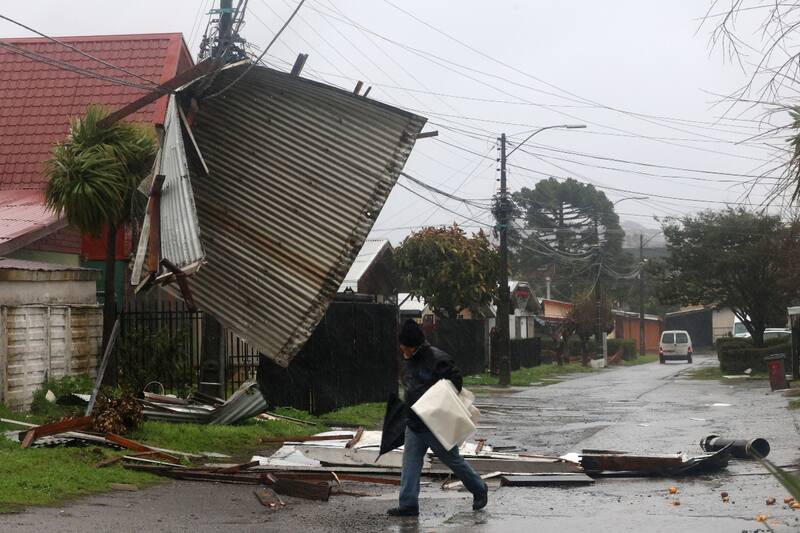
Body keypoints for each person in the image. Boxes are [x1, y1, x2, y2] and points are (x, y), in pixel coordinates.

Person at [387, 319, 488, 517]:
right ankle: (408, 504)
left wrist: (435, 401)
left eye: (403, 345)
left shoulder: (437, 359)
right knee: (410, 463)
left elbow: (456, 383)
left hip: (435, 425)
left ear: (411, 346)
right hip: (414, 423)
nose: (400, 348)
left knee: (453, 460)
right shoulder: (410, 359)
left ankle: (479, 488)